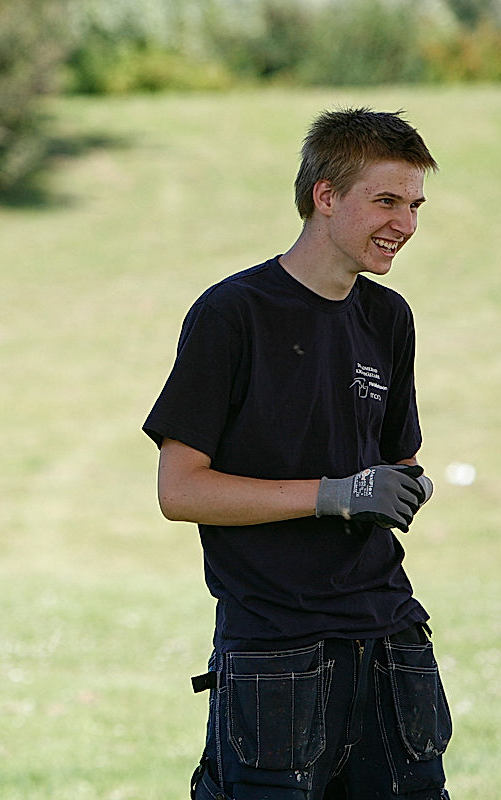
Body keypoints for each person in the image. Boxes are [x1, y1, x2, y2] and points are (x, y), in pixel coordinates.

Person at [143, 107, 452, 800]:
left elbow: (398, 460)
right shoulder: (233, 313)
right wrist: (333, 493)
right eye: (386, 201)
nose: (405, 224)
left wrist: (406, 487)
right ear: (325, 195)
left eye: (414, 206)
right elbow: (180, 490)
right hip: (275, 659)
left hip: (395, 649)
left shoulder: (388, 318)